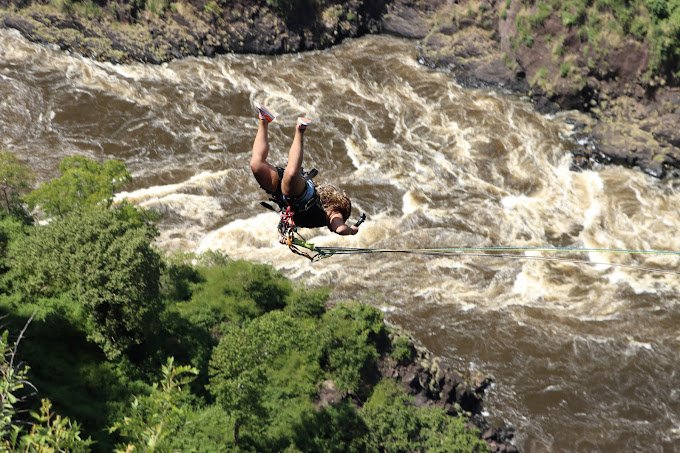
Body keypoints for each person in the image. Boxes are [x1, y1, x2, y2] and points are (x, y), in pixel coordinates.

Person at [249, 104, 359, 235]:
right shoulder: (336, 211)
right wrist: (352, 230)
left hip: (281, 196)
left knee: (256, 164)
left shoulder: (320, 217)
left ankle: (264, 119)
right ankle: (300, 130)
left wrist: (287, 230)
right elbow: (340, 229)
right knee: (290, 177)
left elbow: (290, 219)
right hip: (302, 195)